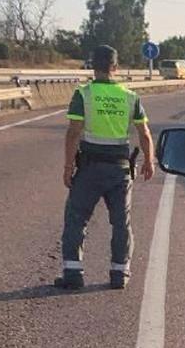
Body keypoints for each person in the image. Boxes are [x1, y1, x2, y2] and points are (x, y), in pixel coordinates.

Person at [55, 45, 155, 290]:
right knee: (122, 222)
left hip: (89, 168)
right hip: (120, 171)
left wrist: (68, 166)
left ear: (92, 66)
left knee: (76, 219)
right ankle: (119, 274)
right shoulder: (130, 97)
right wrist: (150, 161)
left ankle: (73, 274)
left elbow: (73, 133)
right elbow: (144, 133)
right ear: (115, 67)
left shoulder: (84, 94)